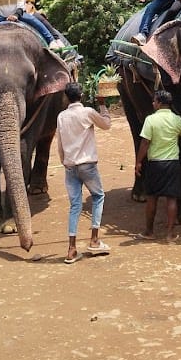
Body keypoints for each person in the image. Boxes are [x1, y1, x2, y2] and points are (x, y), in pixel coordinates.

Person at [57, 82, 111, 264]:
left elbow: (60, 144)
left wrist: (64, 161)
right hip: (87, 164)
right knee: (98, 196)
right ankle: (94, 240)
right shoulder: (87, 112)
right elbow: (106, 125)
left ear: (66, 97)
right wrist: (103, 105)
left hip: (70, 166)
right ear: (81, 95)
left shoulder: (61, 116)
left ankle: (71, 249)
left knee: (74, 205)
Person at [135, 90, 181, 242]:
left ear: (158, 103)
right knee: (171, 199)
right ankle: (170, 234)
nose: (152, 103)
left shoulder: (150, 120)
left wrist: (138, 161)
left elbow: (145, 142)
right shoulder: (177, 120)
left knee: (152, 198)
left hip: (155, 163)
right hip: (172, 163)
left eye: (154, 101)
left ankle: (149, 232)